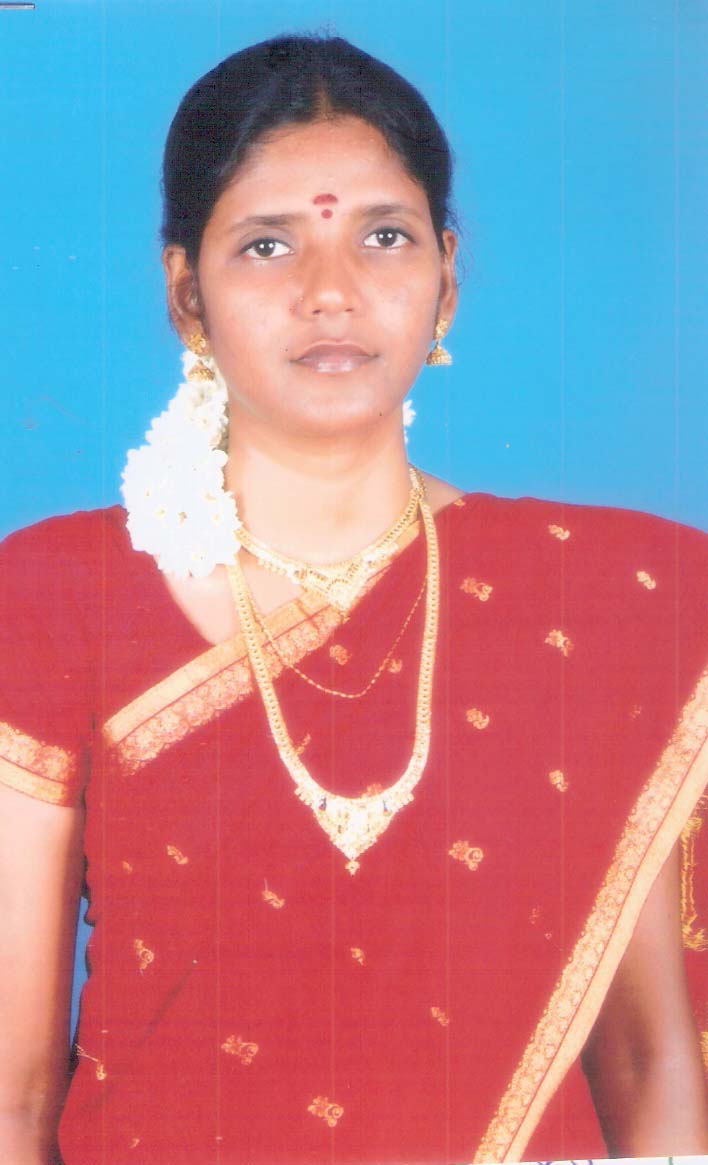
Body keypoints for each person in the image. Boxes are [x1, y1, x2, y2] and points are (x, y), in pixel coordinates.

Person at [0, 32, 707, 1165]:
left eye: (383, 236)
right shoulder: (55, 595)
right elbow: (14, 1095)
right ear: (186, 294)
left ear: (447, 277)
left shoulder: (603, 603)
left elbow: (650, 1060)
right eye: (268, 244)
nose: (331, 292)